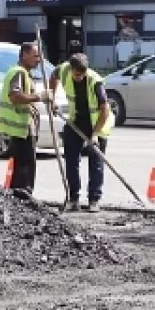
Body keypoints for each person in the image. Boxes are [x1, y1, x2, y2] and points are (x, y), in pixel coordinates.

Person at [51, 52, 113, 212]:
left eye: (83, 73)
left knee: (96, 162)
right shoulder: (64, 70)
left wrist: (94, 135)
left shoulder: (95, 81)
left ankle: (94, 199)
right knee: (71, 161)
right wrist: (52, 99)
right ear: (71, 69)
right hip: (75, 121)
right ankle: (73, 198)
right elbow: (53, 75)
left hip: (97, 125)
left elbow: (105, 109)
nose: (80, 76)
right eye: (77, 73)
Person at [0, 42, 50, 195]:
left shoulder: (23, 73)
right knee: (25, 164)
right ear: (24, 55)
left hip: (23, 127)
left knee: (23, 163)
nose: (38, 60)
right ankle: (22, 194)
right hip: (20, 127)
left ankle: (19, 193)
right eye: (35, 56)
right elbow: (15, 96)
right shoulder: (18, 72)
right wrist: (39, 96)